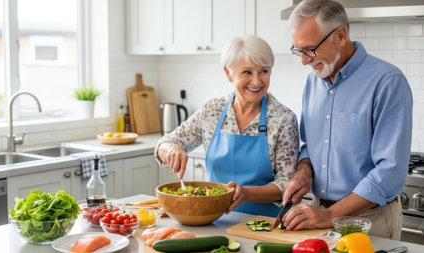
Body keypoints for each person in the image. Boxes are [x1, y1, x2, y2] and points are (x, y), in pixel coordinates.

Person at [281, 0, 413, 240]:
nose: (304, 60)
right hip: (318, 213)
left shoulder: (388, 82)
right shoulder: (313, 82)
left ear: (340, 35)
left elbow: (390, 170)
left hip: (369, 220)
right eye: (298, 50)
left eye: (310, 49)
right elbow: (309, 145)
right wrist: (303, 172)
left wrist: (329, 216)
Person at [154, 35, 299, 217]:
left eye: (264, 71)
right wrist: (170, 149)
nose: (257, 81)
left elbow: (287, 184)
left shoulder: (283, 119)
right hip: (212, 219)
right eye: (247, 72)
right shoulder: (212, 111)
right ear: (228, 73)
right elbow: (165, 142)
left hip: (264, 225)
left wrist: (246, 194)